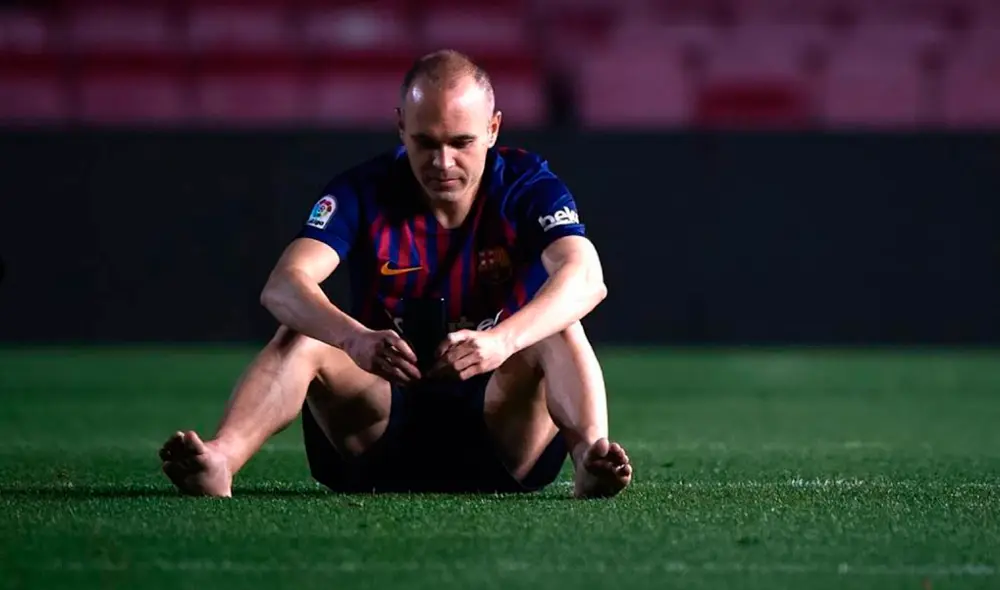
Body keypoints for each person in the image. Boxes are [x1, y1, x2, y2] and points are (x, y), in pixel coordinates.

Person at [158, 49, 632, 499]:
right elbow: (284, 285)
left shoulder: (528, 187)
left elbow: (586, 276)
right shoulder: (363, 189)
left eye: (461, 142)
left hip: (501, 432)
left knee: (560, 327)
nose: (443, 163)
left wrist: (502, 341)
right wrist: (354, 339)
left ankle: (590, 457)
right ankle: (220, 459)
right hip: (380, 425)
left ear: (492, 129)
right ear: (401, 126)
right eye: (426, 142)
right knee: (299, 335)